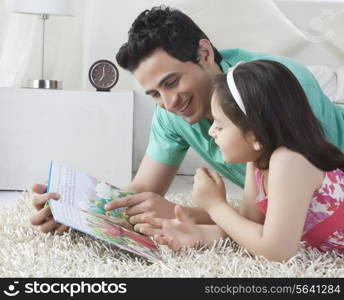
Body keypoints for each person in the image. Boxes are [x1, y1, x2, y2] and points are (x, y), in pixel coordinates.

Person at [29, 6, 344, 236]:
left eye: (171, 83)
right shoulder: (170, 115)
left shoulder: (280, 89)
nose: (168, 104)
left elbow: (284, 223)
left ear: (204, 53)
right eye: (153, 93)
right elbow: (142, 190)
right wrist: (76, 210)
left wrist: (184, 213)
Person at [141, 60, 344, 261]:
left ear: (255, 134)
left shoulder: (290, 160)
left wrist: (216, 206)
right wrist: (199, 234)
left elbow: (278, 252)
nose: (211, 131)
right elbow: (248, 224)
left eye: (219, 126)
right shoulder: (257, 161)